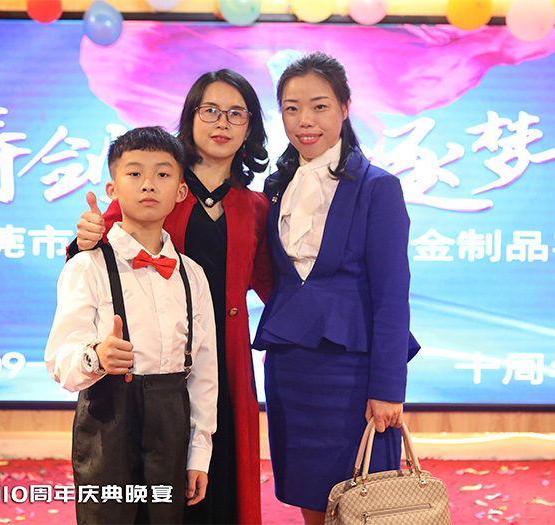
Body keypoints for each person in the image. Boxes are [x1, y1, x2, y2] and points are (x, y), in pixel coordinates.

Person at [67, 69, 273, 524]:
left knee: (220, 472)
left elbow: (274, 287)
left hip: (226, 357)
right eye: (210, 110)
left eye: (236, 113)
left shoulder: (256, 207)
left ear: (250, 126)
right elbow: (98, 249)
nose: (222, 122)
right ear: (190, 117)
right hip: (156, 361)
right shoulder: (158, 183)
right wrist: (83, 237)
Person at [252, 52, 421, 524]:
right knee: (309, 492)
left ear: (345, 108)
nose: (304, 120)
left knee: (365, 499)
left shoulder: (377, 187)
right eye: (291, 108)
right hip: (291, 368)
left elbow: (392, 297)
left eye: (319, 106)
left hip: (353, 373)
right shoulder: (276, 188)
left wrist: (388, 389)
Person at [45, 126, 219, 524]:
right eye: (135, 173)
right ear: (112, 189)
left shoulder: (192, 275)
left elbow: (204, 372)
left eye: (162, 174)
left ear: (180, 191)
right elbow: (59, 361)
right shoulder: (87, 266)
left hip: (171, 422)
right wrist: (97, 357)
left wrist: (199, 453)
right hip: (108, 422)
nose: (148, 184)